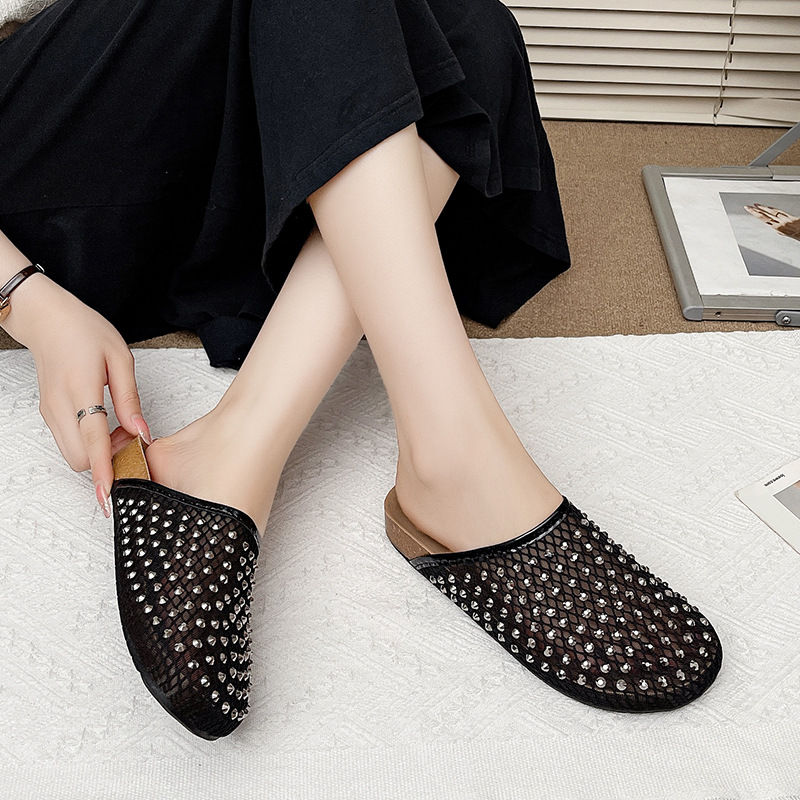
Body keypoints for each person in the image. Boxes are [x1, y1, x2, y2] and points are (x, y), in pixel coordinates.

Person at [0, 0, 721, 739]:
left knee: (471, 29)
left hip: (195, 147)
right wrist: (24, 299)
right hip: (41, 171)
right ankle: (451, 459)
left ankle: (243, 441)